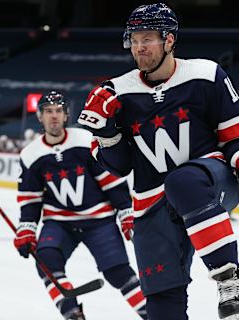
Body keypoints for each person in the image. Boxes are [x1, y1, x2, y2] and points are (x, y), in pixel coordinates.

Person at [77, 3, 239, 320]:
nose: (139, 48)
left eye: (148, 39)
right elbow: (119, 166)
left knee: (182, 181)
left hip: (208, 182)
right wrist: (106, 133)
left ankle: (229, 280)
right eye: (134, 40)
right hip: (151, 204)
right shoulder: (116, 91)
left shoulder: (206, 75)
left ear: (170, 40)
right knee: (161, 304)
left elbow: (235, 137)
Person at [15, 91, 147, 320]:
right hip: (59, 223)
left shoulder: (85, 141)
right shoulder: (30, 154)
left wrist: (126, 212)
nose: (53, 116)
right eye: (48, 111)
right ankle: (73, 314)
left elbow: (111, 181)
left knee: (118, 273)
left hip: (99, 221)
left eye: (58, 111)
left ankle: (152, 314)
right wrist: (26, 229)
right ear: (39, 116)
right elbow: (31, 198)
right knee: (47, 262)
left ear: (66, 115)